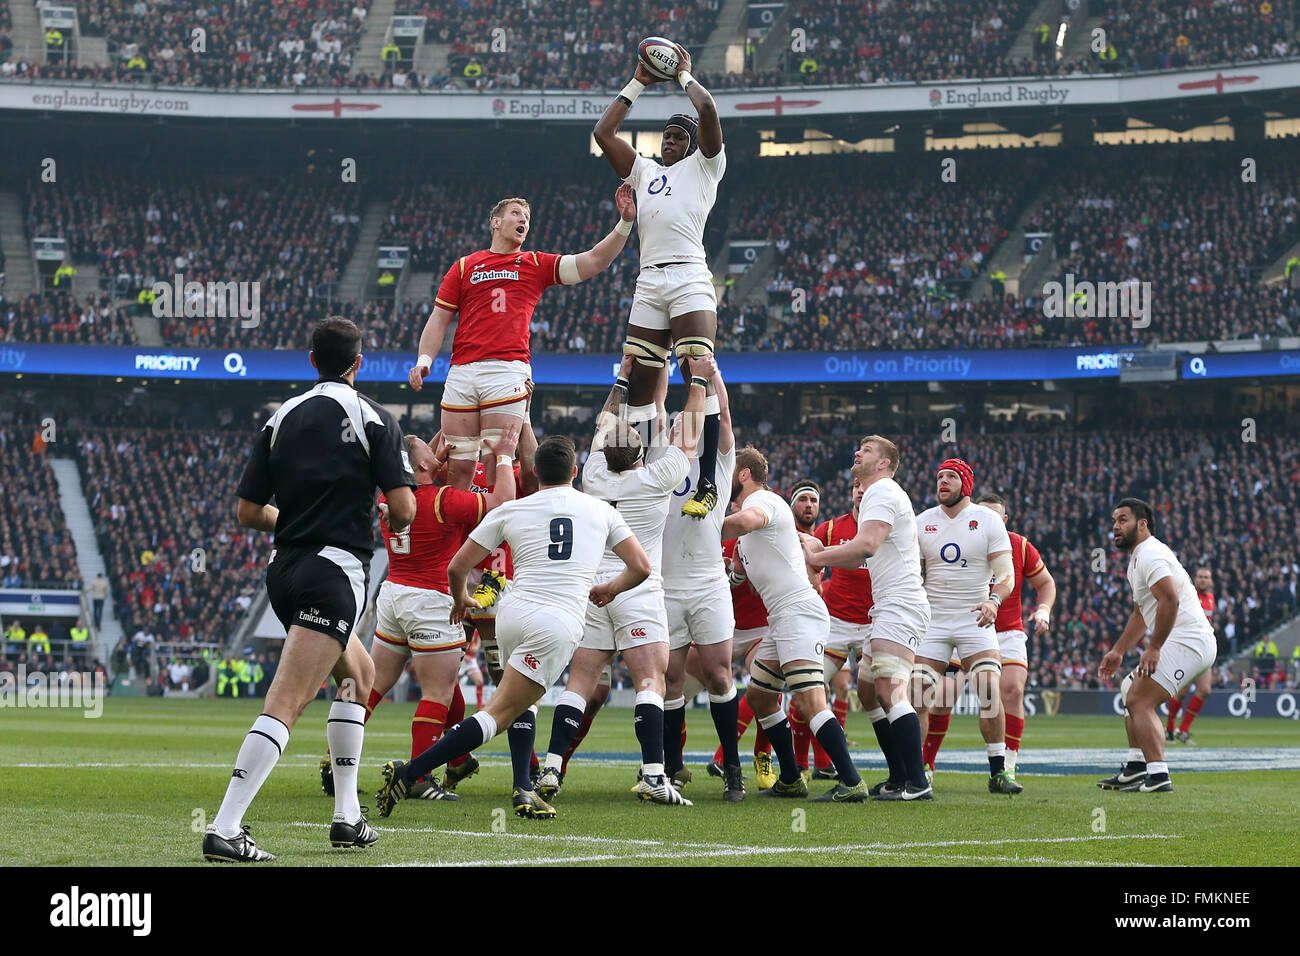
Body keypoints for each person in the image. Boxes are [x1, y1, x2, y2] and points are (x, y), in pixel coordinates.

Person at [203, 316, 417, 863]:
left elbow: (248, 511)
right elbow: (404, 508)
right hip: (333, 572)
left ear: (310, 359)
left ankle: (348, 817)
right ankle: (225, 827)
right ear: (359, 362)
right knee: (287, 702)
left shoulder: (281, 418)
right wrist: (394, 507)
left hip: (285, 571)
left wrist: (297, 519)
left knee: (360, 674)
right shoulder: (373, 417)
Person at [374, 436, 652, 820]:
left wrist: (460, 599)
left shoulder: (512, 510)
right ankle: (410, 773)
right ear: (574, 472)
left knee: (523, 702)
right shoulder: (600, 510)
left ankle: (523, 787)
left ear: (535, 472)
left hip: (512, 614)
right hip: (555, 620)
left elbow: (457, 567)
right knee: (499, 713)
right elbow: (641, 567)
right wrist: (609, 588)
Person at [538, 356, 714, 804]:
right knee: (649, 681)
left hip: (592, 587)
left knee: (579, 682)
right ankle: (655, 774)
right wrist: (697, 377)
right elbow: (689, 433)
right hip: (635, 583)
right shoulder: (655, 478)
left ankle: (552, 769)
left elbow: (605, 422)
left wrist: (622, 377)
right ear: (639, 453)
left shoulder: (593, 474)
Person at [328, 426, 520, 801]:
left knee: (374, 685)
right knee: (439, 692)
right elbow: (502, 504)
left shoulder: (391, 496)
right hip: (431, 601)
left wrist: (439, 440)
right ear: (419, 464)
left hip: (394, 595)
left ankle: (333, 763)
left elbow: (418, 458)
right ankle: (418, 777)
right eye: (431, 454)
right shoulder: (443, 500)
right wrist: (504, 455)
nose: (440, 453)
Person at [406, 187, 637, 491]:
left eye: (527, 218)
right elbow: (438, 318)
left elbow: (594, 260)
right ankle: (459, 538)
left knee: (495, 466)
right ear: (496, 222)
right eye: (516, 213)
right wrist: (425, 360)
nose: (524, 221)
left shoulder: (534, 264)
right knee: (458, 468)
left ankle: (494, 539)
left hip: (507, 371)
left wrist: (625, 222)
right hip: (462, 371)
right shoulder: (464, 266)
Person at [593, 41, 727, 519]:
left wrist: (684, 76)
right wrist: (639, 82)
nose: (669, 140)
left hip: (690, 276)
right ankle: (646, 469)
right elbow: (603, 132)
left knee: (698, 370)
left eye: (677, 136)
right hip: (648, 281)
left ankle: (707, 481)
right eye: (666, 135)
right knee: (646, 386)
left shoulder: (706, 168)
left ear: (690, 145)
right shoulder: (645, 171)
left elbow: (708, 109)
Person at [723, 446, 865, 802]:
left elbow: (748, 520)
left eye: (729, 470)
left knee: (809, 701)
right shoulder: (747, 533)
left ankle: (851, 781)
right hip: (782, 617)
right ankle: (790, 777)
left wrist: (701, 526)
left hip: (799, 612)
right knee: (759, 697)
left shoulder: (766, 501)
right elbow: (738, 575)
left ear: (744, 475)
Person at [802, 436, 932, 801]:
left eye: (867, 450)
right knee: (869, 690)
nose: (857, 453)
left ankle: (918, 783)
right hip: (888, 606)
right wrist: (819, 550)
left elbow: (867, 546)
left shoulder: (883, 491)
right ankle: (898, 777)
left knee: (891, 689)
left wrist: (815, 557)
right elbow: (857, 557)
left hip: (900, 603)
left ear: (884, 464)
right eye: (858, 448)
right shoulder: (880, 493)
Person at [910, 460, 1022, 795]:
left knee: (989, 688)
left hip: (975, 617)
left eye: (951, 477)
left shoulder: (988, 520)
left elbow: (1006, 576)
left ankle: (998, 772)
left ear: (966, 484)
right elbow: (913, 574)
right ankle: (916, 772)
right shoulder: (922, 522)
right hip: (934, 618)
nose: (942, 482)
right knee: (916, 694)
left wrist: (993, 601)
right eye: (939, 477)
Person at [658, 359, 742, 796]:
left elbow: (722, 416)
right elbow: (652, 412)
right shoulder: (661, 463)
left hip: (709, 582)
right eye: (676, 426)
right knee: (671, 680)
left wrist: (711, 374)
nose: (680, 430)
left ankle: (732, 768)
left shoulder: (719, 467)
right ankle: (672, 767)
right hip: (665, 585)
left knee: (719, 676)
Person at [1097, 499, 1217, 794]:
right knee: (1130, 690)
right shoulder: (1138, 559)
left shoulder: (1150, 554)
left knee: (1139, 700)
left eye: (1122, 519)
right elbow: (1141, 615)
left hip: (1189, 640)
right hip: (1187, 639)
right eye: (1114, 520)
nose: (1115, 526)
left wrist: (1154, 648)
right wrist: (1119, 650)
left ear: (1142, 524)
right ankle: (1137, 766)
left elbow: (1170, 599)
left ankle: (1159, 774)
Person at [809, 477, 873, 781]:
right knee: (808, 687)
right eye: (856, 487)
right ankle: (806, 766)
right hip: (834, 625)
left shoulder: (887, 529)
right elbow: (809, 561)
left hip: (874, 626)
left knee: (886, 695)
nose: (860, 491)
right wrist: (815, 584)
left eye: (866, 487)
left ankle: (904, 772)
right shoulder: (833, 529)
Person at [1166, 566, 1216, 744]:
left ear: (1210, 581)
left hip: (1204, 649)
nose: (1203, 579)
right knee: (1182, 691)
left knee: (1205, 690)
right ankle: (1170, 728)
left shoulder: (1211, 599)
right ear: (1195, 579)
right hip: (1187, 649)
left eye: (1206, 577)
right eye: (1200, 576)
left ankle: (1183, 730)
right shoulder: (1189, 596)